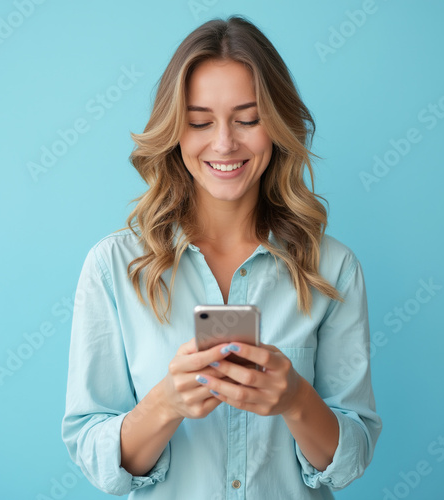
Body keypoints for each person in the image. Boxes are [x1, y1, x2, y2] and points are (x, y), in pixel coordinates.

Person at [62, 15, 382, 499]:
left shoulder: (332, 269)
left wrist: (296, 399)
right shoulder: (112, 267)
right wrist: (166, 403)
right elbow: (93, 454)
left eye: (248, 119)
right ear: (175, 131)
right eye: (199, 122)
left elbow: (351, 455)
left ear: (276, 127)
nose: (225, 142)